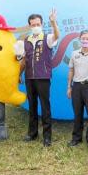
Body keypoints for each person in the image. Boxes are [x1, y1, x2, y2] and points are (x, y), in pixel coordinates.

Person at [21, 9, 60, 147]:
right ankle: (32, 133)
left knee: (45, 106)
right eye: (33, 25)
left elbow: (57, 35)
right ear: (29, 26)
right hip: (29, 77)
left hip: (43, 77)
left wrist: (54, 22)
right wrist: (19, 74)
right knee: (32, 106)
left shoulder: (47, 38)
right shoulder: (26, 40)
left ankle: (47, 137)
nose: (35, 26)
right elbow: (24, 60)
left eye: (38, 24)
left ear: (42, 24)